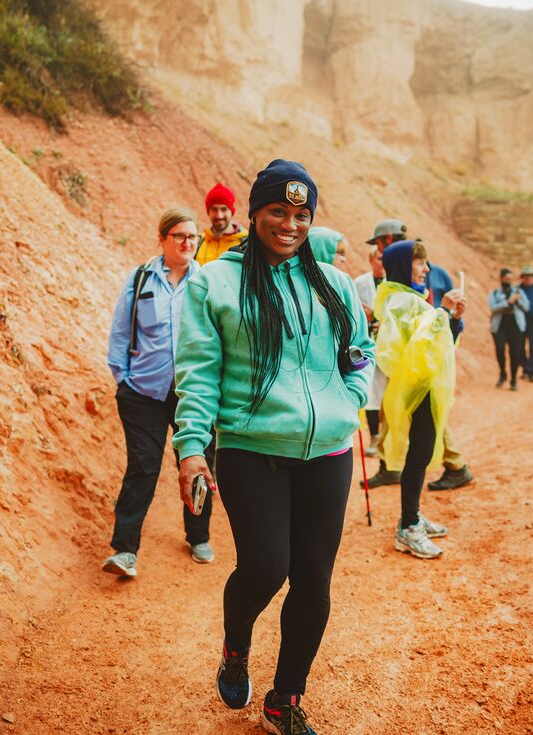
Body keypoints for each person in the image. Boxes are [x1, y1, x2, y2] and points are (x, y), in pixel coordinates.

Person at [173, 160, 374, 734]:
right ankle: (236, 648)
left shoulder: (332, 283)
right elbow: (198, 371)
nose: (290, 224)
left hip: (328, 451)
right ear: (254, 213)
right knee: (265, 567)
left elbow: (359, 348)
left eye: (301, 214)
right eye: (278, 212)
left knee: (313, 580)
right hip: (250, 448)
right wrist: (191, 448)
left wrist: (349, 393)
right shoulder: (215, 283)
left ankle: (284, 700)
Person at [103, 208, 216, 577]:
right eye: (180, 236)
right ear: (162, 238)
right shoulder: (140, 280)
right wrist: (123, 377)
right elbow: (121, 330)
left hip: (192, 393)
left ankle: (198, 536)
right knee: (143, 467)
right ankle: (124, 550)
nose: (187, 243)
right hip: (142, 393)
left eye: (193, 238)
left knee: (199, 463)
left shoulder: (206, 283)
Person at [375, 240, 458, 558]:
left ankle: (413, 514)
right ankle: (408, 527)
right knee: (419, 454)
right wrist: (445, 313)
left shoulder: (409, 300)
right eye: (420, 263)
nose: (426, 269)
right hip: (418, 391)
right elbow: (420, 349)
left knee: (420, 455)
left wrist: (452, 319)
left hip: (423, 388)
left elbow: (440, 344)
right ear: (401, 267)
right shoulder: (402, 302)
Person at [363, 219, 408, 486]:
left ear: (389, 240)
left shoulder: (409, 269)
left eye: (380, 243)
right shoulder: (403, 268)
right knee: (390, 408)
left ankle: (454, 463)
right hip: (396, 352)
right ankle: (389, 465)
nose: (379, 251)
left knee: (407, 411)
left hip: (406, 354)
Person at [424, 260, 474, 491]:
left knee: (432, 409)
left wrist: (453, 319)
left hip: (432, 352)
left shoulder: (439, 274)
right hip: (427, 350)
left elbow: (449, 319)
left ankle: (456, 465)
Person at [353, 249, 386, 456]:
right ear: (371, 260)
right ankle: (374, 436)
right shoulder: (359, 283)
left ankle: (388, 436)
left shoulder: (393, 284)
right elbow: (355, 310)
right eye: (378, 259)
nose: (382, 263)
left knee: (389, 393)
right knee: (372, 392)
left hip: (389, 344)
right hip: (370, 343)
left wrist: (377, 314)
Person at [488, 267, 530, 391]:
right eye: (506, 279)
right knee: (500, 350)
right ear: (501, 279)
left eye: (510, 279)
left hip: (516, 326)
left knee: (515, 353)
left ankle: (513, 379)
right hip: (500, 326)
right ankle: (502, 373)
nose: (508, 281)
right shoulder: (495, 293)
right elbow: (493, 307)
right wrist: (508, 302)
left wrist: (518, 301)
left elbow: (527, 307)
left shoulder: (519, 292)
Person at [196, 182, 248, 265]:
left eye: (224, 209)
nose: (219, 215)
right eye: (214, 209)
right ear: (208, 211)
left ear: (232, 211)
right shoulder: (198, 243)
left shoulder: (246, 243)